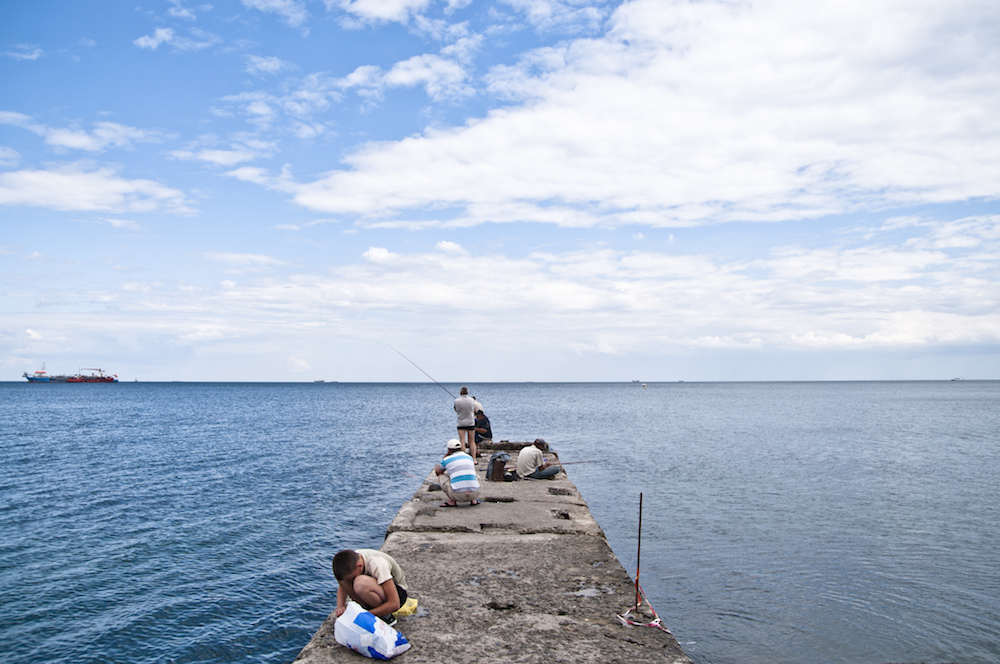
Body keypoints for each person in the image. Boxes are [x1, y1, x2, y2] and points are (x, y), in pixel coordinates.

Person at [333, 548, 408, 624]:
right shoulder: (354, 560)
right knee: (344, 579)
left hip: (397, 593)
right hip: (377, 588)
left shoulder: (377, 564)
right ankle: (367, 608)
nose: (351, 582)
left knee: (360, 583)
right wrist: (340, 606)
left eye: (352, 578)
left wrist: (366, 615)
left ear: (359, 565)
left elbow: (395, 604)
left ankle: (386, 616)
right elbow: (342, 585)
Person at [435, 438, 481, 506]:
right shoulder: (469, 457)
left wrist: (444, 459)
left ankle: (452, 501)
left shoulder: (447, 459)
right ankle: (473, 500)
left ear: (449, 450)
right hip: (475, 494)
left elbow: (438, 472)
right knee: (474, 475)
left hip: (458, 495)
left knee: (441, 477)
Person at [454, 386, 478, 462]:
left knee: (462, 441)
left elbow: (456, 410)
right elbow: (473, 409)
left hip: (461, 423)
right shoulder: (472, 400)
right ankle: (474, 459)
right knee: (472, 441)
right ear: (467, 392)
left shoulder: (456, 401)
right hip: (470, 422)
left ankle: (463, 459)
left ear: (460, 393)